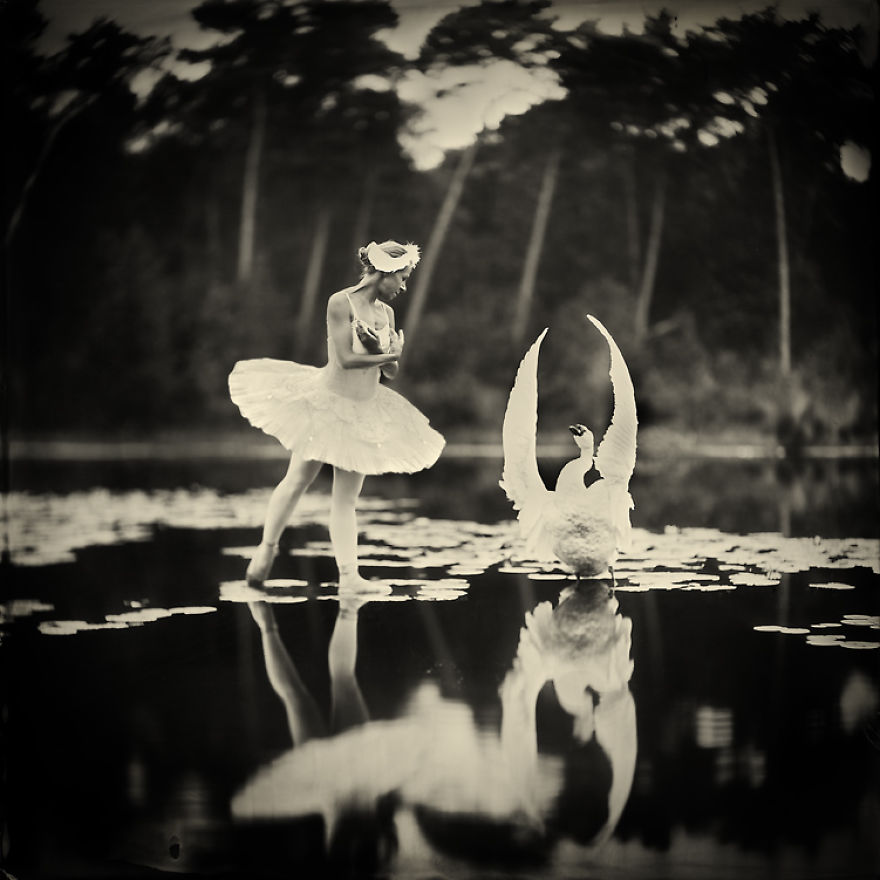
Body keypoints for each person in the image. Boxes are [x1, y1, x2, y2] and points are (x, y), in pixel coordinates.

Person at [229, 240, 445, 589]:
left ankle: (349, 577)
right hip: (327, 403)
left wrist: (390, 356)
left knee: (347, 499)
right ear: (384, 272)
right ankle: (265, 550)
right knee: (298, 479)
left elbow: (389, 374)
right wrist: (383, 354)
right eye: (401, 278)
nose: (403, 287)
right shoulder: (340, 303)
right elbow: (344, 358)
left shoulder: (386, 314)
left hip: (363, 410)